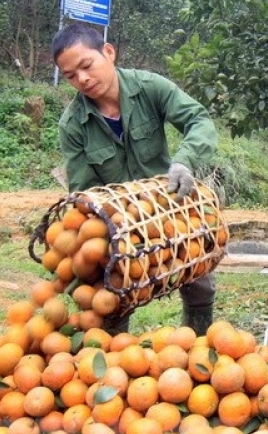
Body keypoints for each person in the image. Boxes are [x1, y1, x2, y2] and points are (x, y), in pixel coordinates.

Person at [51, 22, 219, 336]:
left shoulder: (150, 87)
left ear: (109, 52)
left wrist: (185, 162)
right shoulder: (73, 124)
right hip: (119, 224)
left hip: (169, 209)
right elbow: (84, 190)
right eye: (71, 76)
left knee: (200, 278)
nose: (83, 79)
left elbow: (198, 120)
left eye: (86, 66)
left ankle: (198, 346)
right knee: (111, 296)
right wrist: (99, 235)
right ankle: (113, 358)